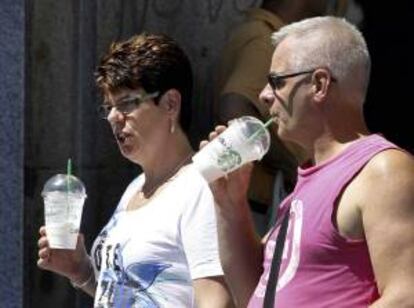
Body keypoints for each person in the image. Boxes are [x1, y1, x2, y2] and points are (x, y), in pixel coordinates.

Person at [206, 16, 414, 307]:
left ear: (319, 84)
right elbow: (251, 295)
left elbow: (406, 297)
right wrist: (230, 204)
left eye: (276, 81)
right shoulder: (307, 179)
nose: (264, 95)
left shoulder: (382, 169)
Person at [37, 33, 233, 308]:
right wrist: (81, 271)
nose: (113, 117)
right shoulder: (136, 187)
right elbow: (136, 295)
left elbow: (216, 301)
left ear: (170, 104)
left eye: (127, 103)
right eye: (108, 107)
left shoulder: (199, 187)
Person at [214, 0, 349, 234]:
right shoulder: (263, 41)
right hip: (254, 208)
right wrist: (291, 168)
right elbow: (234, 107)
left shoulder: (258, 35)